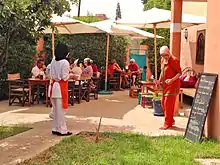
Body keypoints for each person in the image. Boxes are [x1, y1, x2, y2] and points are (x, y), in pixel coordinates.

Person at [157, 46, 182, 130]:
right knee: (163, 103)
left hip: (173, 85)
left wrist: (172, 80)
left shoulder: (174, 60)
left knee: (168, 104)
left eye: (166, 55)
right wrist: (159, 81)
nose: (165, 57)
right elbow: (162, 71)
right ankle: (171, 120)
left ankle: (167, 123)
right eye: (163, 55)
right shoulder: (163, 60)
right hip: (165, 86)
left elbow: (179, 73)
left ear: (168, 52)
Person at [50, 43, 72, 136]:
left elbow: (50, 73)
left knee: (55, 110)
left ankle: (55, 128)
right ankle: (62, 130)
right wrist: (71, 75)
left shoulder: (53, 61)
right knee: (61, 111)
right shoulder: (65, 62)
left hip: (54, 85)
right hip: (60, 87)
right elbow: (64, 77)